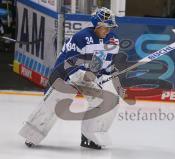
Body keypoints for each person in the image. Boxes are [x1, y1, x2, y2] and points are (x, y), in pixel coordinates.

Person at [19, 7, 124, 150]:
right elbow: (69, 63)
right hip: (65, 75)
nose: (107, 30)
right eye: (104, 27)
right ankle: (32, 134)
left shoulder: (113, 40)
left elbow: (104, 63)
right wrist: (84, 74)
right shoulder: (81, 37)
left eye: (110, 27)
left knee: (107, 99)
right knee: (55, 103)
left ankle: (91, 136)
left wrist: (104, 74)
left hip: (87, 76)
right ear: (96, 24)